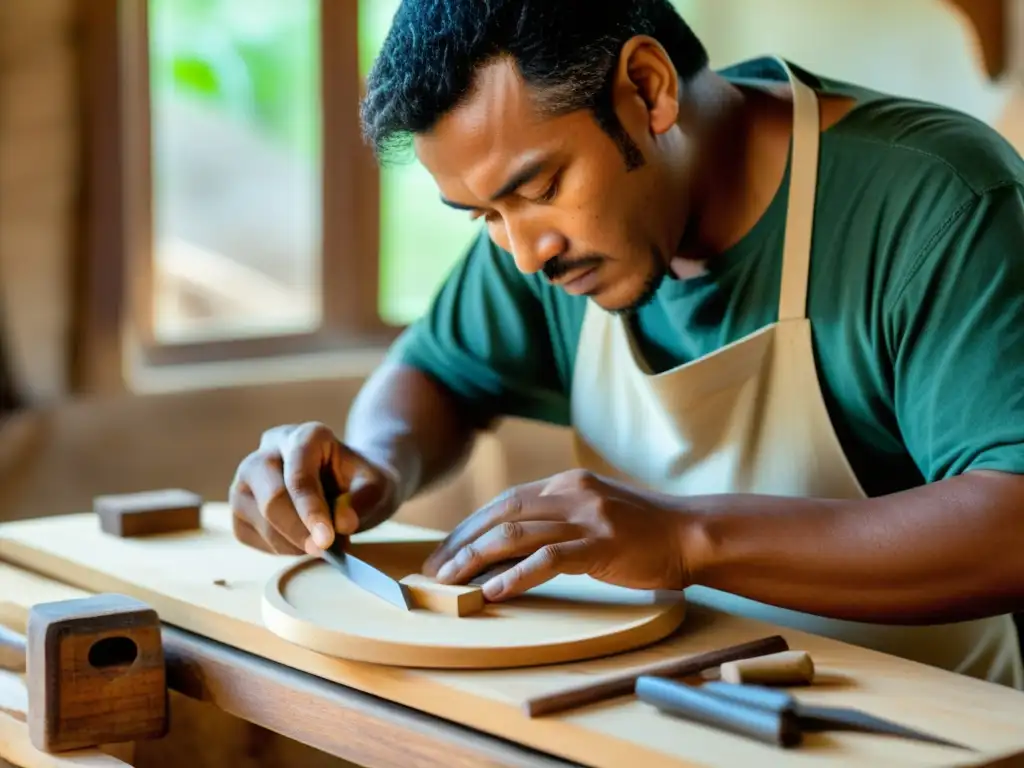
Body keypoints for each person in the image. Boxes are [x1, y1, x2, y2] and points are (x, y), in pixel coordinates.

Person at [229, 0, 1024, 687]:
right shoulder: (545, 243)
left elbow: (1011, 524)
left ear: (648, 88)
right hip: (664, 719)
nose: (525, 252)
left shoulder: (936, 202)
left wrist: (685, 537)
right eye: (484, 217)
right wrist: (376, 462)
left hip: (940, 732)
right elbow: (436, 372)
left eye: (537, 189)